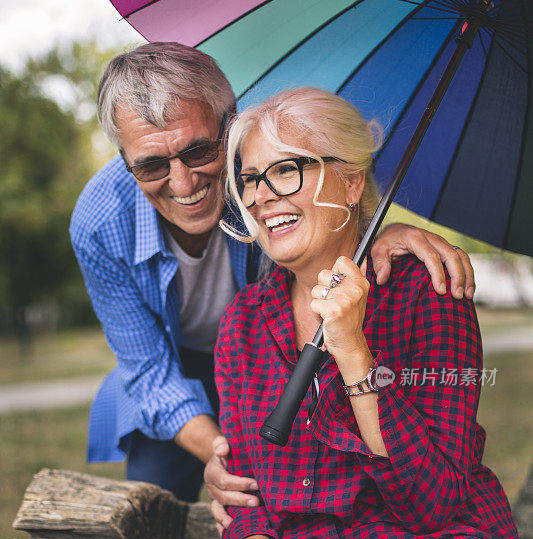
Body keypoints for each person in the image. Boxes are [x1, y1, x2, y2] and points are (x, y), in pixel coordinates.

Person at [155, 88, 533, 539]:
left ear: (351, 181)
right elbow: (249, 486)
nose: (263, 195)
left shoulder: (425, 289)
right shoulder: (246, 321)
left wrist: (355, 353)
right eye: (249, 179)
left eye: (287, 170)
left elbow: (435, 503)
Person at [70, 42, 476, 505]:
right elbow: (148, 372)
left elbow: (326, 216)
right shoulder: (100, 221)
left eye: (200, 151)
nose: (182, 184)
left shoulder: (263, 175)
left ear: (230, 125)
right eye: (151, 165)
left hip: (275, 353)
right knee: (152, 498)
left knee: (311, 484)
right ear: (125, 159)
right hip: (180, 362)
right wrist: (228, 459)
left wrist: (379, 229)